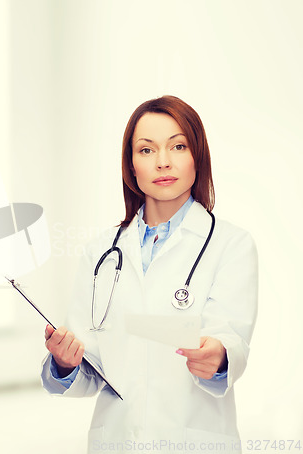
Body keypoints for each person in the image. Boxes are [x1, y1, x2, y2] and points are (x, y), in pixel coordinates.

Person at [41, 95, 258, 453]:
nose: (162, 162)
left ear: (197, 157)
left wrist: (218, 357)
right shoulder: (101, 253)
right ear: (131, 165)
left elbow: (230, 338)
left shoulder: (231, 244)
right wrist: (65, 363)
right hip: (117, 440)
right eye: (146, 150)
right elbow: (90, 368)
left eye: (178, 146)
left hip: (195, 439)